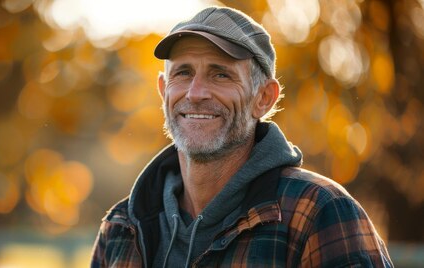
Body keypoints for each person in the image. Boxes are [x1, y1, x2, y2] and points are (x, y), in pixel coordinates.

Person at [91, 6, 393, 268]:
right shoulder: (122, 226)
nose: (195, 93)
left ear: (263, 98)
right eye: (182, 73)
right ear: (163, 90)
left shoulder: (318, 212)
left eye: (220, 74)